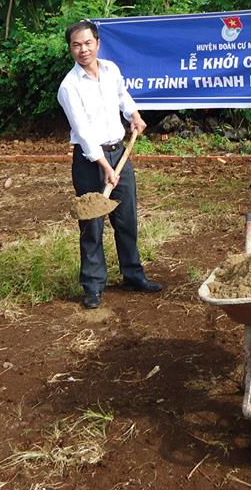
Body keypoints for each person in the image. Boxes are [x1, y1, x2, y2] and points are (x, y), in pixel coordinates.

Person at [57, 20, 162, 309]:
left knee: (126, 219)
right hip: (90, 161)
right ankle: (92, 285)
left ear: (97, 43)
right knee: (92, 224)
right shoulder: (69, 87)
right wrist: (104, 165)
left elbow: (122, 96)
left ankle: (133, 275)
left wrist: (134, 115)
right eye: (76, 45)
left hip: (120, 154)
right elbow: (83, 133)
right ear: (70, 49)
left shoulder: (111, 70)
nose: (83, 49)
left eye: (87, 43)